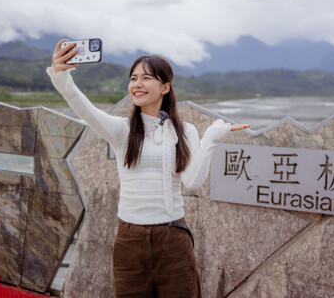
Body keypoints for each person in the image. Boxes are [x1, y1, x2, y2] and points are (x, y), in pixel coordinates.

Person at [47, 39, 249, 298]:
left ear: (165, 86)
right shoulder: (122, 130)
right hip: (130, 240)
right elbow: (82, 107)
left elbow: (192, 181)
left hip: (173, 238)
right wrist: (62, 75)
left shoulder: (184, 131)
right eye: (133, 78)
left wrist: (210, 139)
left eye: (146, 78)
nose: (137, 84)